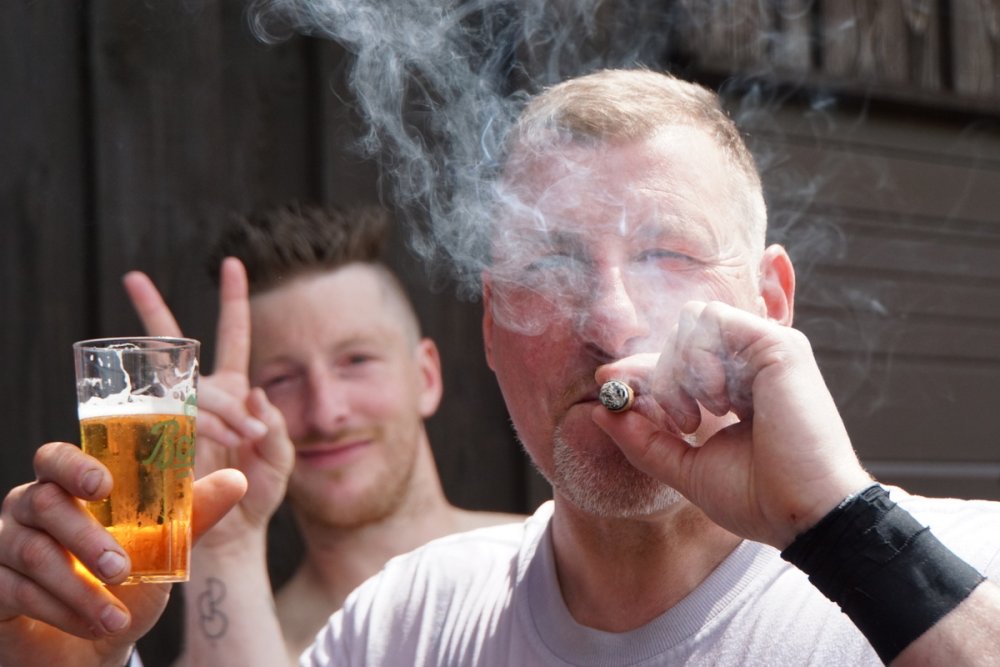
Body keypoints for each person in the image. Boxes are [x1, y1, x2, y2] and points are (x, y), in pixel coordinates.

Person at [2, 68, 1000, 667]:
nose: (610, 321)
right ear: (489, 326)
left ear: (771, 303)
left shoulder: (964, 570)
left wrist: (841, 525)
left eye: (667, 254)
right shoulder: (408, 622)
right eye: (552, 268)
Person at [121, 202, 522, 665]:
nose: (326, 413)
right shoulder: (246, 651)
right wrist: (222, 540)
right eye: (282, 379)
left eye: (356, 361)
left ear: (426, 377)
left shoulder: (549, 566)